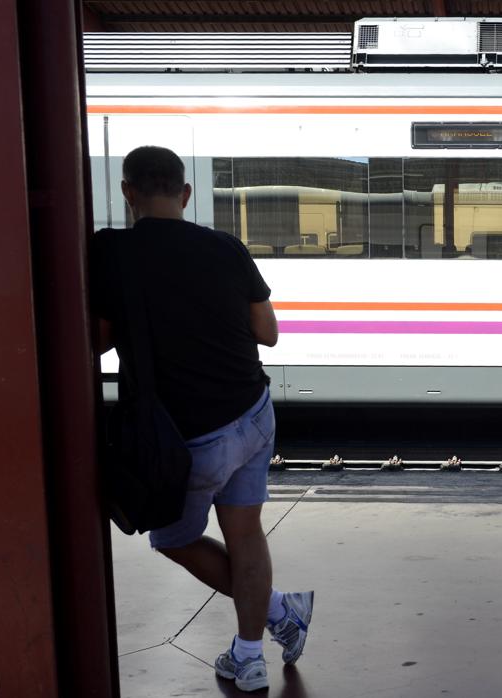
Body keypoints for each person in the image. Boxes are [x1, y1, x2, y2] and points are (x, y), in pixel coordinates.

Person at [90, 145, 312, 692]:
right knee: (246, 533)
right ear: (185, 193)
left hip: (188, 432)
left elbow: (96, 342)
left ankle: (280, 614)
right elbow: (268, 333)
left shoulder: (111, 253)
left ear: (128, 191)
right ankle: (252, 651)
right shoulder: (224, 247)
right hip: (252, 412)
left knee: (174, 539)